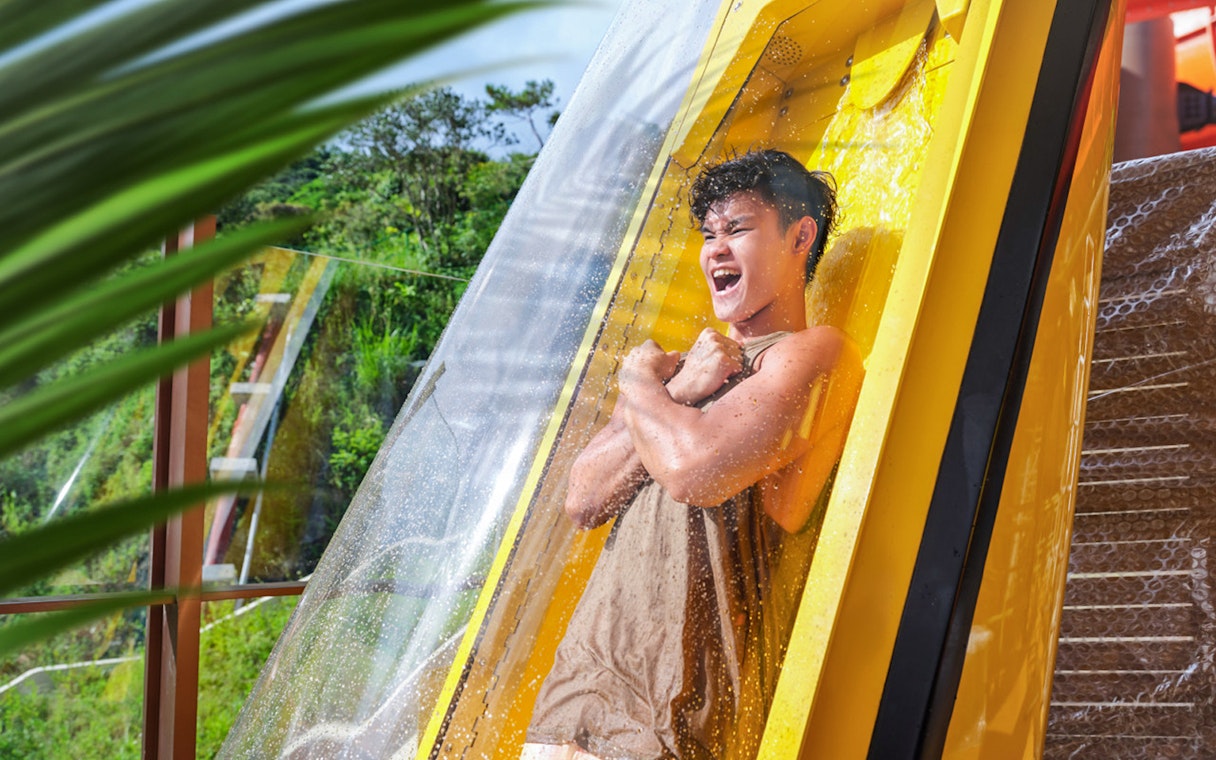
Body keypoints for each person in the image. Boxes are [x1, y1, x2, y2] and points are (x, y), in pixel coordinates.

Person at [523, 149, 860, 760]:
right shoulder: (677, 373)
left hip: (671, 725)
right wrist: (675, 389)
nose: (715, 250)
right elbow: (582, 498)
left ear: (800, 237)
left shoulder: (815, 354)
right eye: (708, 234)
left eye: (737, 230)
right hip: (568, 707)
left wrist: (637, 382)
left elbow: (694, 472)